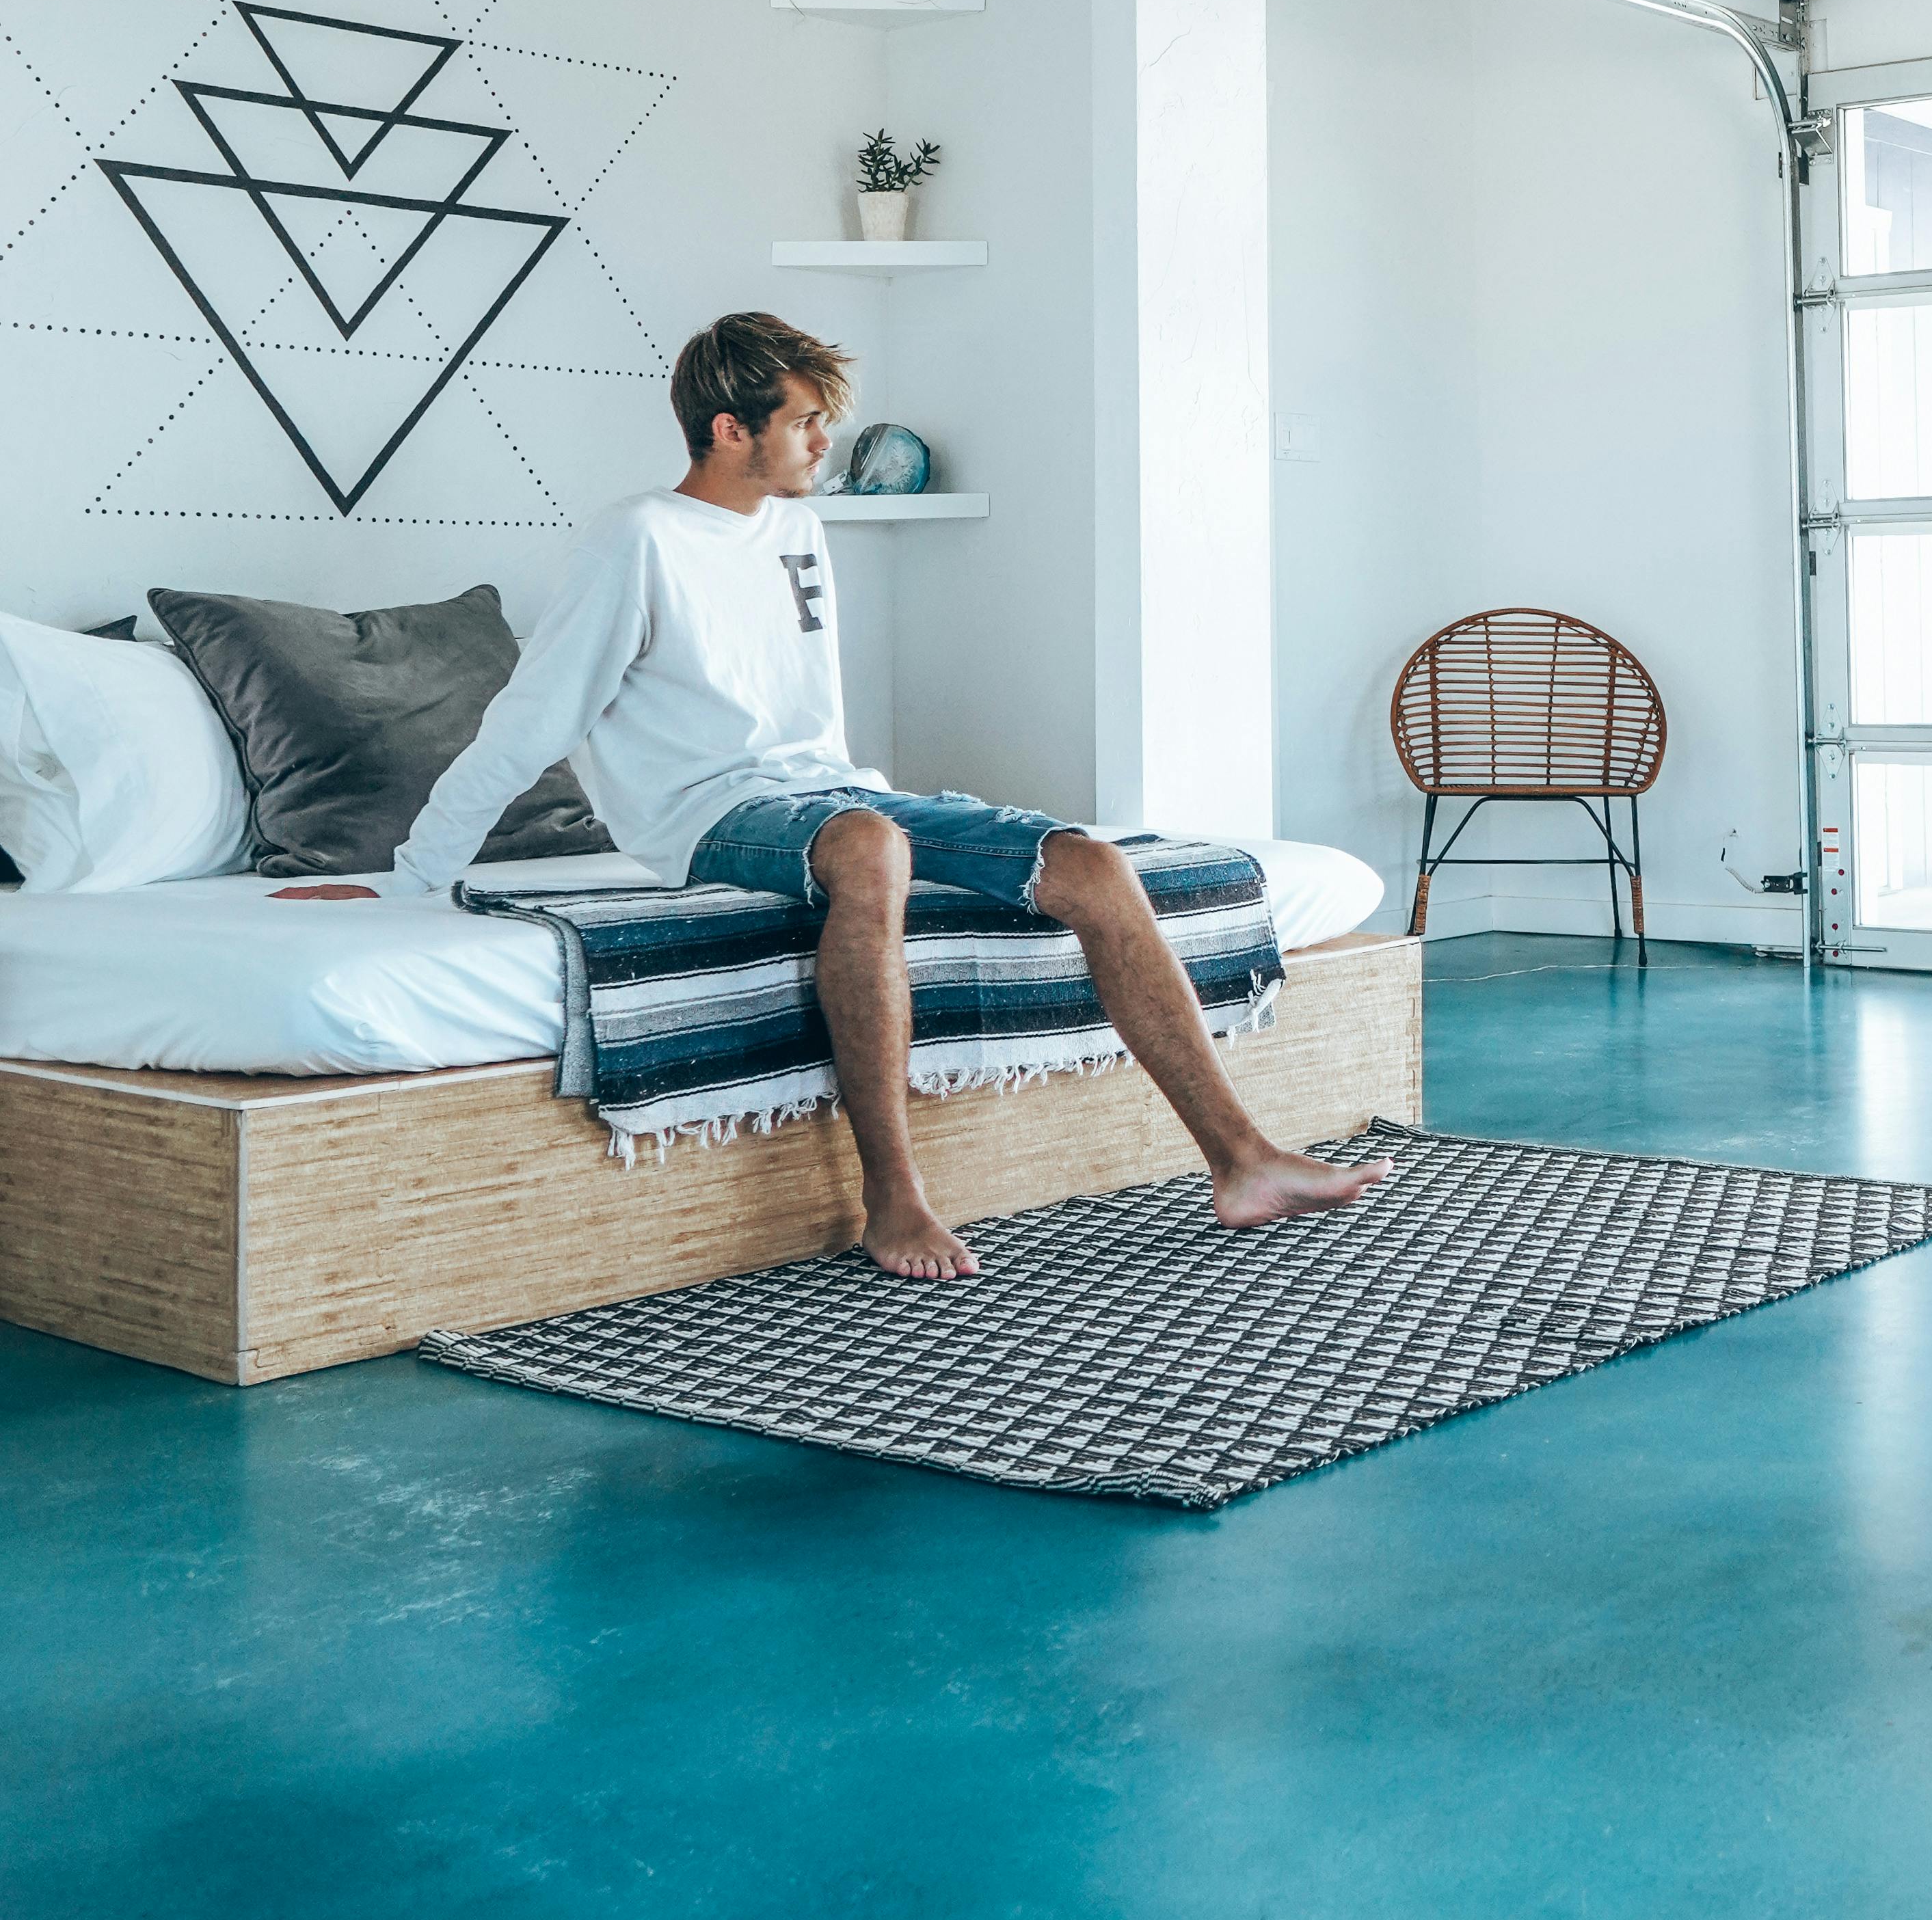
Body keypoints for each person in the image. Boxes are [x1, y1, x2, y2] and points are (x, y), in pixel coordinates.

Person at [301, 310, 1382, 1282]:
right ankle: (893, 1198)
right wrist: (411, 880)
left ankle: (1241, 1161)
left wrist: (855, 797)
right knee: (867, 847)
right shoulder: (636, 539)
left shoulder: (799, 529)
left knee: (1088, 863)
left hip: (826, 794)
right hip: (706, 817)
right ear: (731, 430)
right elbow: (529, 721)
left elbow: (813, 734)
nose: (826, 442)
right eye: (806, 421)